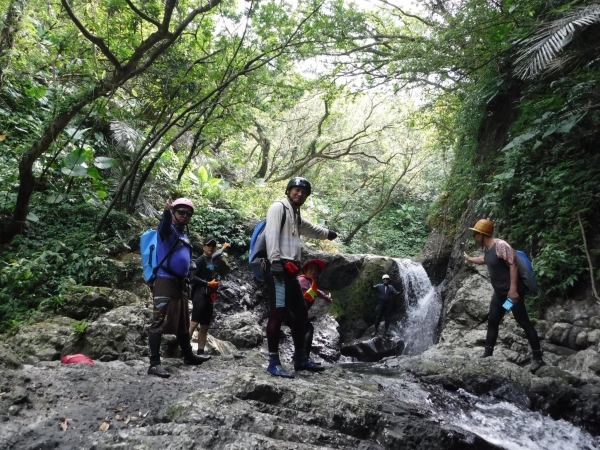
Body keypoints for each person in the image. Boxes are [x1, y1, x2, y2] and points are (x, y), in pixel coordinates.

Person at [265, 177, 337, 378]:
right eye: (296, 190)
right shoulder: (278, 208)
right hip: (278, 267)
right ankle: (273, 362)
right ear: (289, 191)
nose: (300, 194)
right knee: (277, 315)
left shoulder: (294, 214)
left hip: (292, 271)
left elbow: (310, 228)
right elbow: (271, 234)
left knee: (301, 315)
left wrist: (328, 234)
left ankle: (300, 358)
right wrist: (275, 261)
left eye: (304, 192)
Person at [463, 218, 545, 373]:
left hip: (512, 295)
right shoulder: (488, 249)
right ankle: (487, 355)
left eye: (475, 233)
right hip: (501, 296)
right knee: (493, 321)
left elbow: (513, 265)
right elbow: (485, 260)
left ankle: (538, 359)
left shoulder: (501, 245)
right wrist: (470, 259)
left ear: (482, 234)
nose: (474, 236)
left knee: (524, 322)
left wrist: (513, 290)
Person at [147, 197, 210, 378]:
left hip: (180, 284)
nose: (185, 216)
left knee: (183, 322)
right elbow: (164, 226)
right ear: (174, 213)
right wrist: (166, 212)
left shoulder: (183, 234)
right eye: (181, 212)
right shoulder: (167, 231)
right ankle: (154, 363)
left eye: (188, 214)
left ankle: (188, 356)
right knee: (159, 321)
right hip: (165, 281)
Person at [189, 237, 229, 356]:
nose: (210, 247)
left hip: (209, 296)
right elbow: (191, 277)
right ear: (203, 247)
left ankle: (200, 351)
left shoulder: (211, 258)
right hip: (199, 294)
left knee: (205, 325)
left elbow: (218, 253)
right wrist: (207, 283)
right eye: (208, 245)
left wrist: (223, 248)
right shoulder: (199, 261)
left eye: (213, 245)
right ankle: (185, 349)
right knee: (194, 323)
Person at [296, 259, 333, 363]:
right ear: (305, 270)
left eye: (316, 269)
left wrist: (327, 298)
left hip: (298, 313)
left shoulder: (310, 282)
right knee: (308, 329)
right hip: (293, 313)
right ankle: (304, 358)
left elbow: (317, 292)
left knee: (304, 330)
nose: (313, 271)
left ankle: (301, 357)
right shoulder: (302, 280)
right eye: (311, 268)